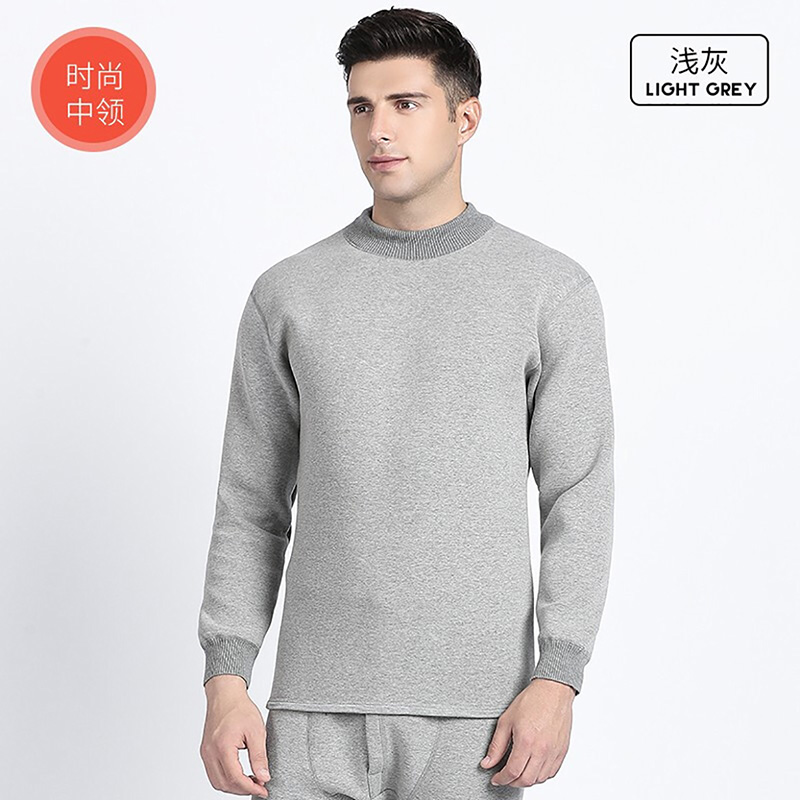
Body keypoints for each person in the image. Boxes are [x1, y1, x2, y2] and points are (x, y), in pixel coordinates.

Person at [198, 7, 614, 799]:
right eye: (361, 107)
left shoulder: (549, 291)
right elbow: (250, 505)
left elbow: (579, 495)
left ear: (466, 119)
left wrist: (559, 675)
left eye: (406, 104)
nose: (378, 129)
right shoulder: (287, 295)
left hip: (481, 718)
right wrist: (226, 677)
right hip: (309, 712)